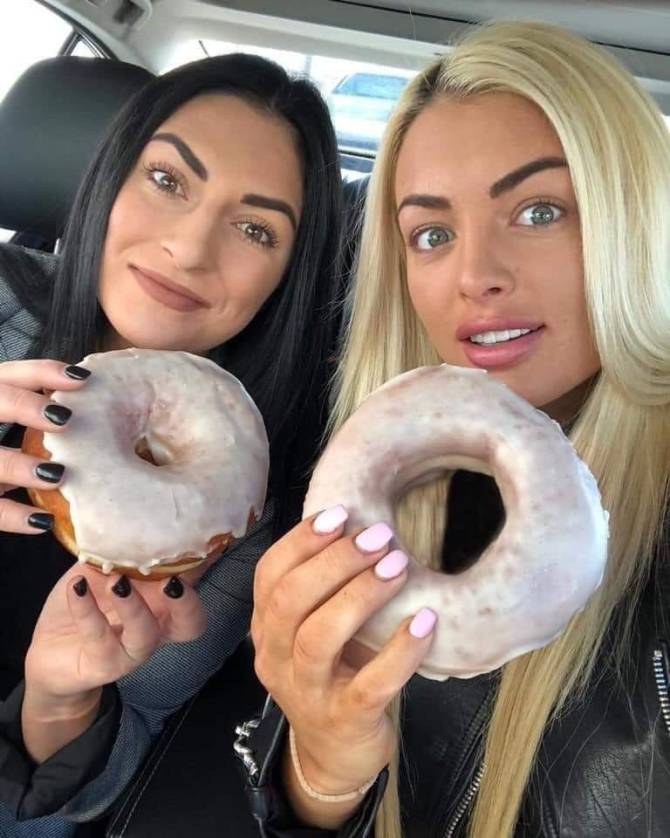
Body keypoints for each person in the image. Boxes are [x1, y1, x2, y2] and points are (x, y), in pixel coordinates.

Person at [246, 20, 670, 837]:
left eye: (540, 211)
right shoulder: (370, 496)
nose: (476, 276)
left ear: (636, 221)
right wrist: (324, 770)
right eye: (432, 235)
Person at [0, 51, 342, 835]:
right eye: (167, 179)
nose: (190, 248)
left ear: (286, 276)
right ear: (109, 178)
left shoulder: (244, 517)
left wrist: (60, 700)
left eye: (255, 228)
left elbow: (95, 788)